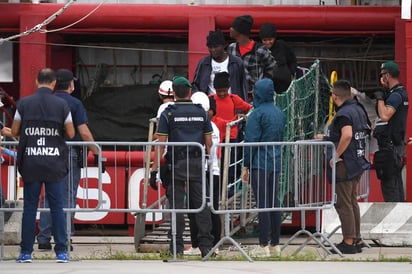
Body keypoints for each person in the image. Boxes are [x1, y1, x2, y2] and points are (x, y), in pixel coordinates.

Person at [11, 68, 75, 263]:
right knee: (57, 206)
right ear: (54, 83)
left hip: (31, 160)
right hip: (54, 162)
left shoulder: (24, 104)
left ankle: (25, 252)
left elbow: (15, 130)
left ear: (36, 81)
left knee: (30, 207)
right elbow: (71, 133)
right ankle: (62, 252)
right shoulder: (62, 105)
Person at [37, 69, 102, 251]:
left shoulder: (45, 102)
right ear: (71, 85)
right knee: (66, 196)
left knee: (48, 196)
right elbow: (84, 132)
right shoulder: (74, 104)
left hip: (46, 152)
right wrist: (96, 152)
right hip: (68, 153)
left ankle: (43, 238)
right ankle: (64, 238)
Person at [149, 76, 214, 258]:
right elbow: (209, 142)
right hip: (197, 164)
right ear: (190, 93)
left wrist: (154, 171)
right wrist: (209, 164)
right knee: (201, 205)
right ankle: (206, 247)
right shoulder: (201, 112)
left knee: (176, 207)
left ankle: (176, 247)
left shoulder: (168, 112)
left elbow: (160, 144)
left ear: (174, 93)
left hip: (176, 164)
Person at [316, 80, 370, 254]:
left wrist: (336, 155)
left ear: (334, 96)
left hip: (345, 163)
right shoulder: (358, 109)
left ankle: (348, 242)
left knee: (343, 203)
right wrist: (326, 139)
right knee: (352, 201)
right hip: (358, 160)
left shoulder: (343, 114)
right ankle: (356, 238)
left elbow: (346, 135)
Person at [241, 78, 285, 258]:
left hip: (259, 162)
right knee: (274, 202)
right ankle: (275, 244)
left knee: (262, 204)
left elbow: (251, 141)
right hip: (275, 160)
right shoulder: (279, 112)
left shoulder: (256, 114)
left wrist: (246, 165)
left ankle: (263, 244)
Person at [184, 92, 221, 256]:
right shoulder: (214, 127)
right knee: (208, 209)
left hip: (204, 171)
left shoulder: (202, 127)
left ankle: (204, 244)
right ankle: (205, 244)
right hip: (210, 171)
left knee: (201, 209)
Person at [373, 61, 408, 202]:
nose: (381, 79)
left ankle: (394, 220)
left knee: (390, 187)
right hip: (394, 146)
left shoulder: (395, 95)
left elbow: (385, 115)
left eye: (382, 75)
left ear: (387, 76)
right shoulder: (399, 93)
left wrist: (380, 97)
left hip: (390, 147)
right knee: (395, 185)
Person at [227, 15, 276, 100]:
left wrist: (262, 84)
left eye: (233, 27)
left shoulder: (260, 50)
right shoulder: (231, 48)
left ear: (239, 32)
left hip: (255, 97)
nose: (230, 29)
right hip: (235, 95)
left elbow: (272, 67)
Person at [192, 29, 248, 101]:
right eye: (210, 47)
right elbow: (195, 85)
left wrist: (243, 107)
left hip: (232, 105)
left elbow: (243, 86)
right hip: (210, 107)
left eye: (216, 47)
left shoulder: (237, 62)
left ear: (224, 46)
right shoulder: (203, 63)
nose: (213, 50)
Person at [259, 23, 297, 93]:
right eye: (264, 40)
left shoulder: (282, 46)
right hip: (266, 87)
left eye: (270, 39)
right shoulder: (259, 49)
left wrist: (291, 72)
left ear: (274, 38)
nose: (267, 42)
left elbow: (292, 60)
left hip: (284, 86)